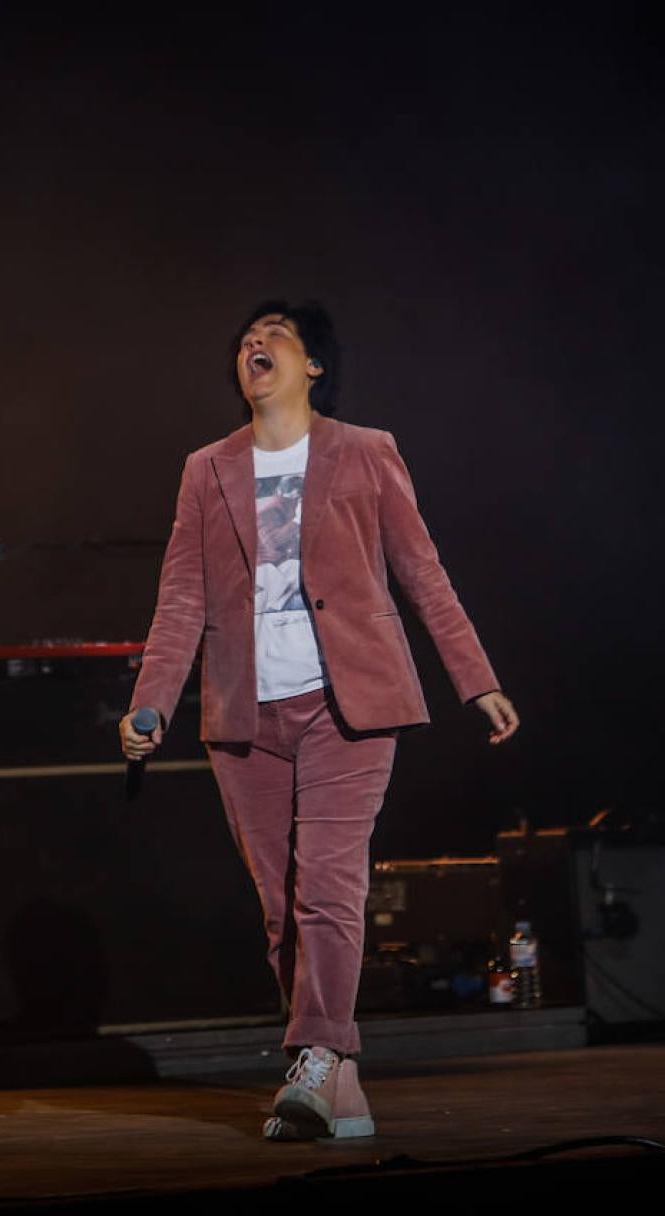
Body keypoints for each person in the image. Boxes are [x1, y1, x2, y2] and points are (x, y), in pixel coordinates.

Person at [119, 301, 519, 1142]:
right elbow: (181, 597)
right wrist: (151, 699)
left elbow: (421, 570)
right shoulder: (208, 469)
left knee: (329, 890)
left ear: (314, 366)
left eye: (274, 335)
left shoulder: (366, 452)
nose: (252, 344)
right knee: (280, 906)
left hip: (351, 706)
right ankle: (338, 1081)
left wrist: (473, 677)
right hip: (245, 711)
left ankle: (309, 1058)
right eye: (244, 338)